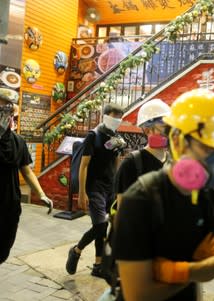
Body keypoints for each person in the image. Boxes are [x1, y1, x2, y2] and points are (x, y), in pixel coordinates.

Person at [113, 89, 214, 301]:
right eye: (206, 147)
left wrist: (175, 271)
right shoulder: (141, 199)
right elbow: (138, 294)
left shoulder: (209, 197)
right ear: (178, 141)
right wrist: (198, 265)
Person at [65, 103, 125, 277]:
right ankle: (76, 250)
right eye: (114, 117)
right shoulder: (93, 136)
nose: (117, 121)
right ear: (105, 116)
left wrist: (117, 185)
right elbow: (84, 166)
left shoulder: (116, 137)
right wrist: (82, 192)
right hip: (93, 187)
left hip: (109, 187)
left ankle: (98, 265)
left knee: (101, 227)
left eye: (120, 118)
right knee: (101, 225)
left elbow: (115, 162)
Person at [0, 95, 53, 264]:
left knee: (3, 249)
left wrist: (41, 194)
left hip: (9, 204)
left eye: (5, 110)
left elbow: (27, 171)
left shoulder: (18, 142)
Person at [115, 99, 171, 207]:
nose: (169, 132)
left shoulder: (172, 161)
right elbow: (122, 210)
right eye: (164, 127)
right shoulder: (132, 163)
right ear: (147, 130)